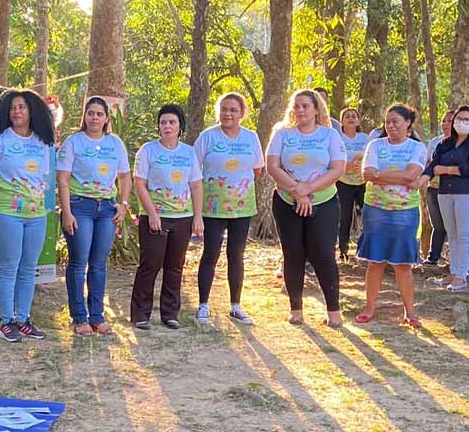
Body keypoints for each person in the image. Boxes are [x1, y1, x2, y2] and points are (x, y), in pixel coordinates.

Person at [0, 88, 56, 342]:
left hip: (36, 214)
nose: (17, 112)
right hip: (6, 213)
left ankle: (23, 320)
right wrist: (0, 193)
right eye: (12, 108)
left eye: (21, 107)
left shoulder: (42, 142)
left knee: (28, 268)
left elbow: (42, 177)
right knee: (8, 267)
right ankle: (7, 321)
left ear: (31, 111)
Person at [265, 90, 346, 327]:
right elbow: (272, 166)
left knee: (323, 254)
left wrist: (308, 189)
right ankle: (296, 309)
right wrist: (296, 191)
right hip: (286, 201)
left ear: (316, 109)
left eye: (305, 106)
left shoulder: (330, 135)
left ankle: (333, 311)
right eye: (297, 106)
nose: (300, 110)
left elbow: (338, 169)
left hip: (323, 202)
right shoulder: (282, 134)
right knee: (293, 254)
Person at [56, 96, 132, 336]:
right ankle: (79, 317)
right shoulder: (73, 142)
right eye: (91, 113)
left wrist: (123, 204)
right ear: (84, 116)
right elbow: (63, 180)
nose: (95, 118)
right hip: (80, 207)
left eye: (99, 114)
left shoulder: (115, 143)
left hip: (107, 209)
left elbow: (125, 176)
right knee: (79, 263)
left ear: (107, 118)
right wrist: (67, 212)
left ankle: (97, 316)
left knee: (99, 264)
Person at [130, 104, 204, 330]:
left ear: (180, 126)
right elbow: (139, 184)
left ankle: (170, 314)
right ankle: (140, 314)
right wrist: (152, 214)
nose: (167, 126)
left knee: (175, 266)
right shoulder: (148, 150)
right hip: (155, 217)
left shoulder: (188, 152)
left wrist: (198, 217)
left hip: (182, 217)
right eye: (163, 122)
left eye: (172, 122)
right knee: (150, 264)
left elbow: (196, 186)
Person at [193, 92, 263, 325]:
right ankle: (203, 305)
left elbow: (256, 170)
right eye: (224, 109)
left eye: (233, 110)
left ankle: (235, 306)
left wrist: (237, 189)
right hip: (213, 208)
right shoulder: (207, 137)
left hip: (242, 208)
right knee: (210, 254)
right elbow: (194, 170)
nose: (228, 114)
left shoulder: (251, 138)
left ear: (242, 113)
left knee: (237, 255)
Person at [355, 103, 427, 327]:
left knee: (402, 263)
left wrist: (381, 175)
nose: (391, 126)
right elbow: (367, 174)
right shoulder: (375, 145)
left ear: (408, 123)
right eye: (387, 122)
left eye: (396, 121)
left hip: (405, 212)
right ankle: (369, 306)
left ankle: (410, 311)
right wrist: (399, 176)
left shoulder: (417, 148)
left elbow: (412, 175)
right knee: (375, 260)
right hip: (375, 209)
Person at [415, 106, 469, 291]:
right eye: (458, 119)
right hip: (445, 192)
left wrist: (446, 170)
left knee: (464, 234)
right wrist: (421, 180)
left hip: (468, 193)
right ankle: (453, 273)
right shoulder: (444, 144)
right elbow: (433, 166)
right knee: (451, 233)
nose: (461, 122)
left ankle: (462, 276)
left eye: (466, 119)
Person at [336, 107, 369, 261]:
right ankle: (343, 250)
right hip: (343, 182)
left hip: (363, 182)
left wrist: (362, 164)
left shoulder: (365, 138)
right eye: (347, 116)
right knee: (345, 216)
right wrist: (345, 166)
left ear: (358, 120)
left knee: (367, 214)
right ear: (341, 121)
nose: (350, 118)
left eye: (353, 116)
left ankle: (363, 249)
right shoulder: (337, 137)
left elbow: (370, 156)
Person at [421, 110, 453, 266]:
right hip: (433, 188)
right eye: (444, 121)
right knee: (438, 224)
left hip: (454, 191)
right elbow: (427, 164)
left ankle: (455, 260)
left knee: (453, 226)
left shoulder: (465, 143)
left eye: (450, 121)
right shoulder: (435, 142)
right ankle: (433, 257)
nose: (445, 124)